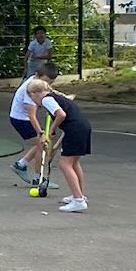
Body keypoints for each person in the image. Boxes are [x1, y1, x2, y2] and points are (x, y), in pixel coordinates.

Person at [25, 76, 93, 211]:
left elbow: (61, 115)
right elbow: (69, 123)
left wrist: (50, 131)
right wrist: (56, 146)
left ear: (34, 94)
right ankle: (78, 195)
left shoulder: (47, 99)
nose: (33, 102)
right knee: (73, 163)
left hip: (75, 130)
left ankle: (78, 200)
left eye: (31, 98)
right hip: (82, 128)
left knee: (65, 164)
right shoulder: (57, 98)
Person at [8, 63, 59, 180]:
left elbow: (49, 91)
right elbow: (32, 115)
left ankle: (21, 164)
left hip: (22, 118)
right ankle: (38, 179)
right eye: (45, 81)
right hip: (21, 120)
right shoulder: (30, 89)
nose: (46, 85)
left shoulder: (37, 83)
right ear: (37, 75)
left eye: (49, 83)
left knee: (44, 141)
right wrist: (40, 133)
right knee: (42, 144)